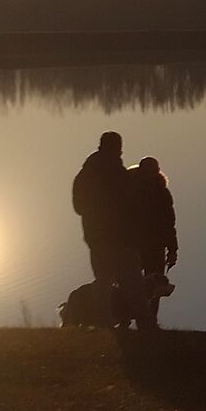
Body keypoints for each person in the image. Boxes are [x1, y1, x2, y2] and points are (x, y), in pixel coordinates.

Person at [70, 131, 133, 310]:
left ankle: (107, 320)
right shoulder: (117, 173)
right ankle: (139, 322)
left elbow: (78, 207)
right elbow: (129, 205)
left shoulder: (85, 173)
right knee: (127, 280)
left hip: (97, 235)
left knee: (105, 280)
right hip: (115, 237)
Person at [125, 156, 178, 328]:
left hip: (154, 247)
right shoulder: (128, 190)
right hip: (132, 245)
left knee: (155, 287)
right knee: (127, 281)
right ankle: (123, 317)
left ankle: (149, 322)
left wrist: (172, 250)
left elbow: (169, 223)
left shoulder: (162, 194)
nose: (150, 176)